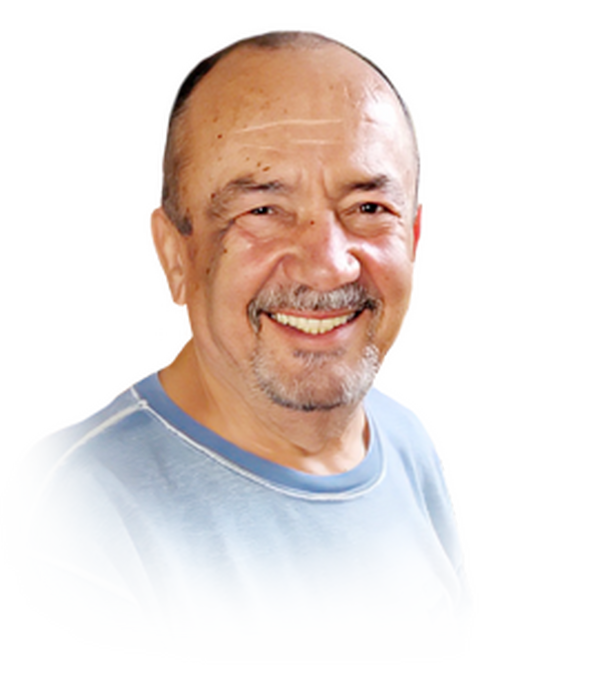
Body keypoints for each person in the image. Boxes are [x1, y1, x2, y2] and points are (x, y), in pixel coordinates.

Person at [2, 25, 473, 664]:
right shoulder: (80, 533)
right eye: (262, 211)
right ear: (170, 253)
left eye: (367, 207)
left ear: (416, 236)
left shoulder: (411, 438)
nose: (327, 266)